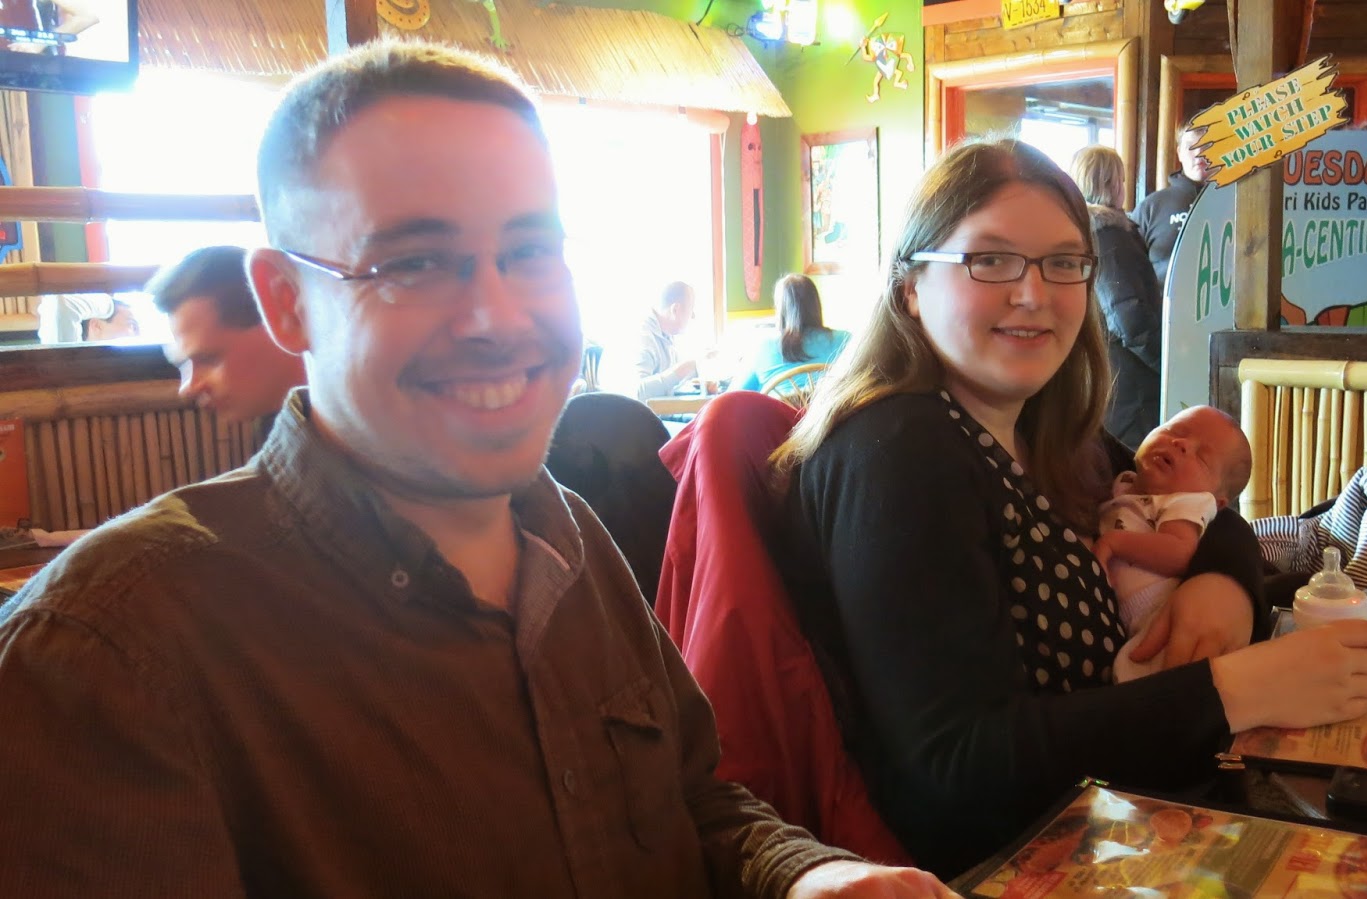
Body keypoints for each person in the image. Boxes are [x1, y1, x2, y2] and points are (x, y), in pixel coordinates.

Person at [0, 40, 954, 899]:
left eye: (530, 250)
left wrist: (808, 874)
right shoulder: (103, 655)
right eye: (415, 262)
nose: (498, 317)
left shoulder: (570, 535)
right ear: (286, 301)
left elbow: (696, 802)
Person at [774, 138, 1367, 877]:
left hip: (1137, 820)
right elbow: (956, 770)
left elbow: (1211, 511)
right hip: (1025, 866)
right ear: (909, 285)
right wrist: (1236, 690)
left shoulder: (1049, 425)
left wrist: (1221, 582)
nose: (1034, 293)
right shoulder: (897, 450)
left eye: (1063, 262)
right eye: (990, 260)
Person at [1093, 405, 1252, 682]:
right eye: (1173, 430)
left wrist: (1114, 543)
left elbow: (1180, 551)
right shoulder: (1125, 482)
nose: (1181, 444)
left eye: (1202, 457)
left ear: (1215, 501)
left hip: (1160, 612)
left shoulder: (1185, 502)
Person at [146, 244, 307, 426]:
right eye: (183, 365)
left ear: (282, 320)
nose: (188, 388)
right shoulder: (280, 423)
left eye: (208, 359)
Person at [1068, 145, 1162, 449]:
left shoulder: (1080, 233)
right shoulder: (1107, 235)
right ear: (1109, 183)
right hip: (1130, 383)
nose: (1123, 186)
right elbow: (1129, 316)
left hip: (1108, 373)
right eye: (1119, 179)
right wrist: (1167, 363)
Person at [734, 273, 850, 392]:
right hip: (829, 404)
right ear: (816, 304)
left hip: (779, 405)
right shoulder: (846, 340)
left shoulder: (763, 347)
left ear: (781, 309)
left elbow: (734, 395)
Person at [1132, 127, 1208, 292]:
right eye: (1191, 146)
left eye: (1207, 144)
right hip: (1163, 306)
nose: (1199, 153)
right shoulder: (1151, 207)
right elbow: (1130, 272)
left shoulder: (1237, 202)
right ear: (1180, 153)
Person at [633, 279, 698, 399]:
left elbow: (668, 388)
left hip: (653, 410)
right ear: (675, 310)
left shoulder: (667, 337)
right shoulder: (641, 335)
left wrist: (696, 370)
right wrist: (683, 369)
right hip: (624, 410)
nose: (693, 316)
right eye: (691, 310)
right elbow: (637, 394)